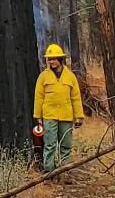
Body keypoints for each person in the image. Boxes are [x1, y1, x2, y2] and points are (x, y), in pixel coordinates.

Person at [33, 43, 83, 171]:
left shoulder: (70, 77)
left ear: (60, 59)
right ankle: (49, 171)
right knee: (50, 144)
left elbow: (76, 98)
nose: (52, 61)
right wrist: (37, 116)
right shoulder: (43, 77)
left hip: (66, 116)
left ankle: (64, 170)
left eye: (54, 58)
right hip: (49, 116)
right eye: (50, 59)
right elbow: (39, 97)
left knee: (65, 145)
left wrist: (79, 117)